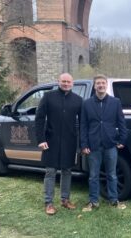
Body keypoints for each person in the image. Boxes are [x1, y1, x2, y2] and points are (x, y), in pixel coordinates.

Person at [35, 73, 83, 215]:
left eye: (68, 81)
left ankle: (65, 200)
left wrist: (81, 143)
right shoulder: (48, 97)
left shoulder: (78, 100)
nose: (66, 84)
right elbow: (39, 118)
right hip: (51, 140)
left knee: (67, 171)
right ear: (58, 82)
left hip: (70, 141)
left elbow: (82, 123)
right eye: (63, 81)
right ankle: (48, 203)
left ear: (72, 83)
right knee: (50, 171)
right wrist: (41, 139)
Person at [80, 74, 128, 211]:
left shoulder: (115, 102)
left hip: (110, 144)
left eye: (103, 83)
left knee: (112, 174)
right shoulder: (86, 104)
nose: (100, 85)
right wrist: (84, 145)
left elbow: (121, 123)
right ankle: (93, 201)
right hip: (93, 145)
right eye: (98, 83)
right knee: (93, 175)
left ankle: (114, 200)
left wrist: (122, 139)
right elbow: (83, 126)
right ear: (94, 86)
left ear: (106, 85)